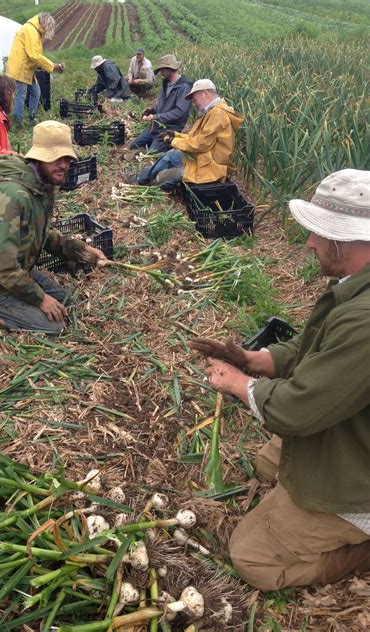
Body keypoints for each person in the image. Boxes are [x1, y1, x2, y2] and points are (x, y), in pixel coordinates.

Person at [189, 169, 370, 591]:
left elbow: (296, 409)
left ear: (346, 240)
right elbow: (318, 351)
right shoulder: (353, 287)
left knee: (251, 558)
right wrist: (251, 359)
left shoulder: (365, 318)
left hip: (358, 473)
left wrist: (237, 382)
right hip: (347, 424)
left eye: (318, 234)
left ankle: (360, 544)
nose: (309, 243)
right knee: (269, 463)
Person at [0, 122, 109, 335]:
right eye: (56, 158)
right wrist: (40, 299)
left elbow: (42, 233)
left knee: (65, 301)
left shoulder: (41, 186)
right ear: (38, 158)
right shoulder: (12, 196)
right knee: (54, 327)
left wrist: (80, 250)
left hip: (14, 267)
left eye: (67, 159)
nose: (64, 165)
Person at [126, 79, 244, 187]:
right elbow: (196, 138)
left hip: (210, 166)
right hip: (203, 159)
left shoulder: (218, 114)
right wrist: (175, 135)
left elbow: (201, 144)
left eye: (195, 99)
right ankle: (141, 178)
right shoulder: (212, 112)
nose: (194, 103)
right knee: (172, 155)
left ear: (205, 94)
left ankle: (148, 179)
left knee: (163, 179)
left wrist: (173, 141)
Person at [6, 13, 65, 126]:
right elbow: (34, 55)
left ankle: (33, 118)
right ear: (45, 25)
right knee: (21, 95)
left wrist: (49, 68)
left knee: (36, 92)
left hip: (27, 69)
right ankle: (18, 123)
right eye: (48, 28)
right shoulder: (31, 30)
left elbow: (35, 55)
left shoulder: (35, 31)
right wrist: (53, 66)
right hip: (20, 69)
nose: (48, 32)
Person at [129, 54, 191, 154]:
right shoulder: (166, 83)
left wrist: (156, 116)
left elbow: (179, 112)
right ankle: (156, 142)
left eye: (162, 69)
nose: (161, 72)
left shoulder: (184, 87)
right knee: (133, 146)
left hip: (170, 129)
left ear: (170, 68)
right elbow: (162, 105)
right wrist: (152, 110)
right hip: (156, 127)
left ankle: (169, 144)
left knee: (152, 152)